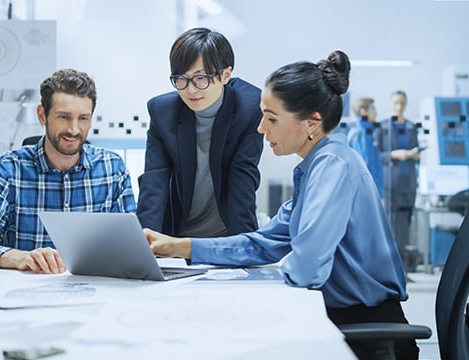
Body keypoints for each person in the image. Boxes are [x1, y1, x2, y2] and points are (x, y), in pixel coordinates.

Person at [144, 51, 419, 359]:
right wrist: (178, 247)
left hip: (367, 334)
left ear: (311, 122)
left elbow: (307, 268)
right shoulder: (315, 167)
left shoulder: (334, 165)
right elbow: (262, 244)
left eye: (272, 118)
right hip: (337, 319)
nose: (261, 128)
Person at [0, 69, 137, 274]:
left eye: (83, 118)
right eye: (63, 117)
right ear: (42, 115)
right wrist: (18, 256)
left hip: (95, 292)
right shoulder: (8, 169)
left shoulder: (112, 168)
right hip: (24, 296)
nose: (74, 129)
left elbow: (132, 249)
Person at [136, 27, 263, 238]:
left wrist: (245, 247)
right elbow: (154, 181)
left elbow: (243, 181)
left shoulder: (249, 108)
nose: (190, 90)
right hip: (174, 235)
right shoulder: (162, 111)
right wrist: (145, 241)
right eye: (180, 79)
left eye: (200, 78)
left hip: (224, 235)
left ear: (225, 75)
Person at [377, 90, 420, 273]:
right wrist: (395, 154)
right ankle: (389, 269)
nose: (399, 107)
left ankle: (402, 270)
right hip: (390, 184)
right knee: (390, 226)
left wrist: (416, 155)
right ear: (390, 104)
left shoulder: (411, 127)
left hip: (408, 183)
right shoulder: (382, 127)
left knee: (405, 226)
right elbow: (376, 156)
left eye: (402, 103)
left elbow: (418, 152)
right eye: (396, 103)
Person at [347, 97, 385, 202]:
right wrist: (379, 195)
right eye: (373, 109)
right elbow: (367, 167)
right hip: (367, 194)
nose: (376, 113)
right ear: (363, 112)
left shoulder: (362, 132)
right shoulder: (363, 134)